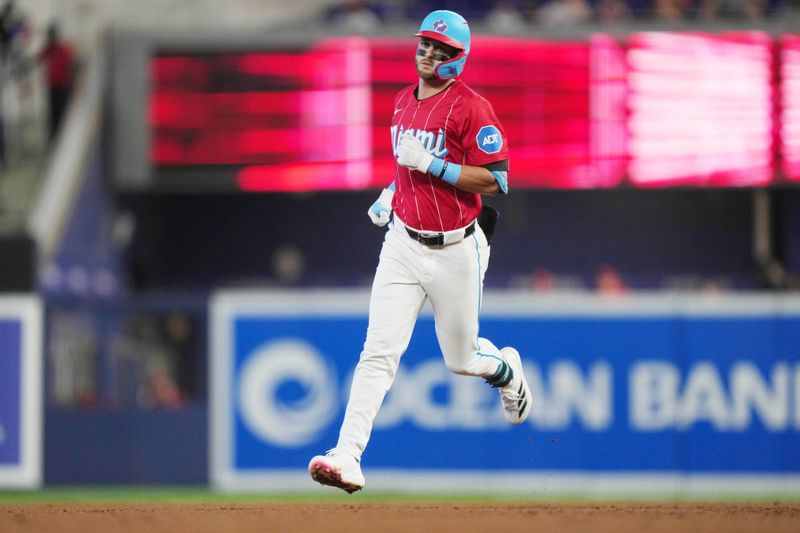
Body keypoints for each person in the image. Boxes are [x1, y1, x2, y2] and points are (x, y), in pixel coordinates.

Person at [308, 9, 532, 494]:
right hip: (403, 242)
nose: (429, 53)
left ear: (458, 59)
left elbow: (498, 180)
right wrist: (394, 191)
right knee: (378, 352)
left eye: (441, 49)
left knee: (461, 358)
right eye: (426, 44)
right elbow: (408, 167)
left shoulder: (472, 108)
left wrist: (432, 165)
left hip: (457, 247)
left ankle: (507, 369)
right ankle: (346, 455)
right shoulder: (401, 102)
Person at [39, 22, 74, 140]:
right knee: (53, 114)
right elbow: (39, 58)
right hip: (52, 87)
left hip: (63, 87)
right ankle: (54, 137)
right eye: (49, 36)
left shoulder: (63, 49)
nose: (50, 38)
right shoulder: (48, 49)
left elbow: (70, 66)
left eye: (51, 35)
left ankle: (63, 137)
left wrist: (71, 85)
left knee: (61, 113)